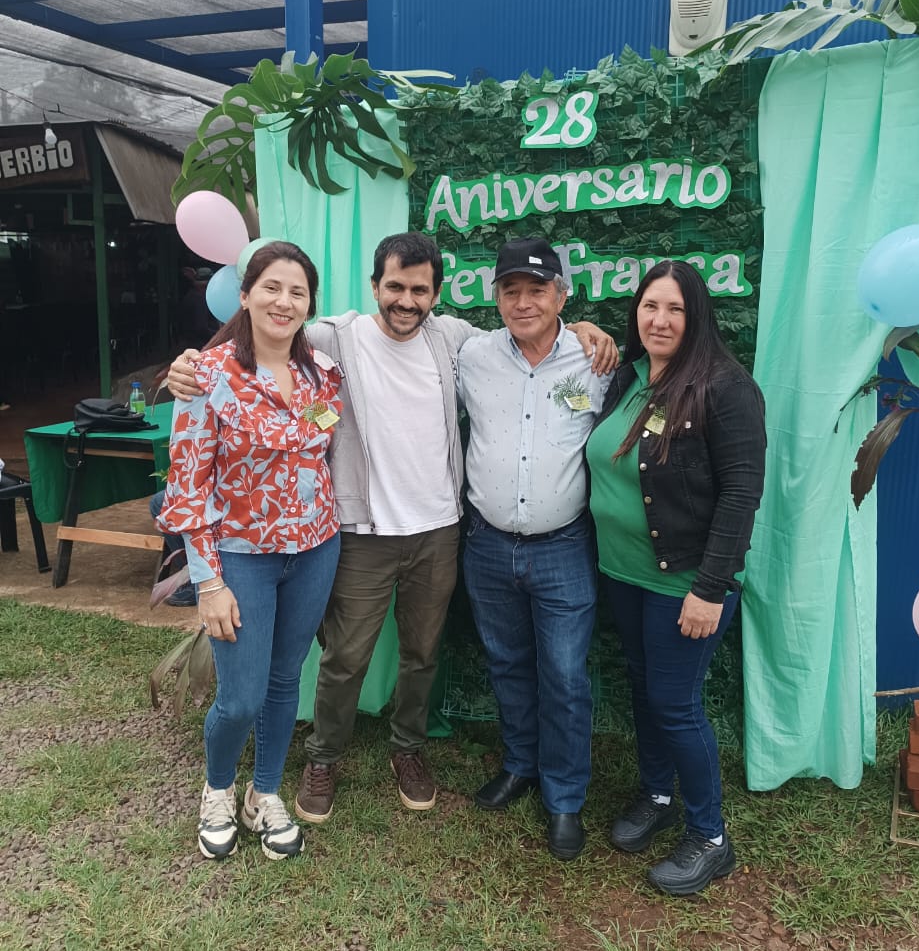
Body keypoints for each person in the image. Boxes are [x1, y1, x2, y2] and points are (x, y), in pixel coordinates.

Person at [167, 233, 616, 827]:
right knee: (345, 657)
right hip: (363, 532)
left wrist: (583, 327)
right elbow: (266, 330)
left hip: (440, 531)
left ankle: (408, 749)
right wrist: (191, 364)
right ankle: (324, 758)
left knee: (422, 652)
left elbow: (533, 329)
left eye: (420, 290)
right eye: (395, 287)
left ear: (437, 294)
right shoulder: (335, 340)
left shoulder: (456, 341)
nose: (407, 300)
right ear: (375, 286)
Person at [585, 259, 766, 895]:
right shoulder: (630, 376)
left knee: (675, 703)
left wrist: (710, 589)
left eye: (675, 309)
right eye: (649, 306)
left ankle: (711, 838)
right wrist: (580, 327)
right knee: (644, 688)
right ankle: (658, 796)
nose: (660, 320)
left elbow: (741, 494)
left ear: (697, 315)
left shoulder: (725, 387)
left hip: (683, 582)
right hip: (624, 574)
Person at [158, 241, 342, 861]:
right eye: (271, 287)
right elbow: (187, 489)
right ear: (245, 295)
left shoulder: (322, 372)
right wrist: (208, 583)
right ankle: (217, 790)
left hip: (315, 548)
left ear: (310, 304)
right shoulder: (206, 376)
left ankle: (264, 794)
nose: (284, 302)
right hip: (240, 556)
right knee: (241, 696)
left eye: (297, 292)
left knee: (286, 679)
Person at [458, 238, 612, 861]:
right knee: (506, 663)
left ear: (562, 295)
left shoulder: (595, 359)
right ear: (496, 297)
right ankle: (520, 764)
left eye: (537, 290)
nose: (523, 302)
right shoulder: (471, 354)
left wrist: (591, 331)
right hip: (487, 545)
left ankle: (565, 797)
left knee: (566, 676)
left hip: (563, 548)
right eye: (510, 290)